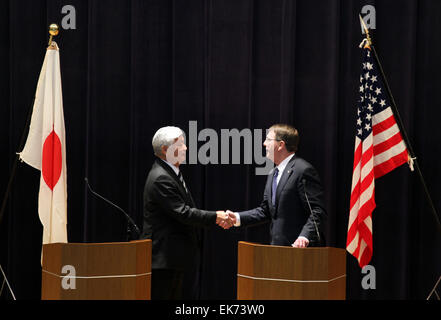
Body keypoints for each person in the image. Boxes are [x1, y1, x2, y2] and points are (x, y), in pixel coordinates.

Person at [141, 126, 231, 300]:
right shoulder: (161, 177)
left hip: (173, 257)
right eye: (181, 144)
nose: (186, 148)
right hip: (163, 259)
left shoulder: (169, 172)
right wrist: (215, 216)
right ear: (166, 149)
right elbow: (183, 213)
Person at [220, 124, 327, 247]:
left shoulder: (303, 170)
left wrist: (304, 236)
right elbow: (266, 210)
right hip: (277, 251)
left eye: (268, 140)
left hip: (301, 252)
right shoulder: (273, 174)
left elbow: (317, 210)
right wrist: (237, 218)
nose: (264, 144)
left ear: (281, 145)